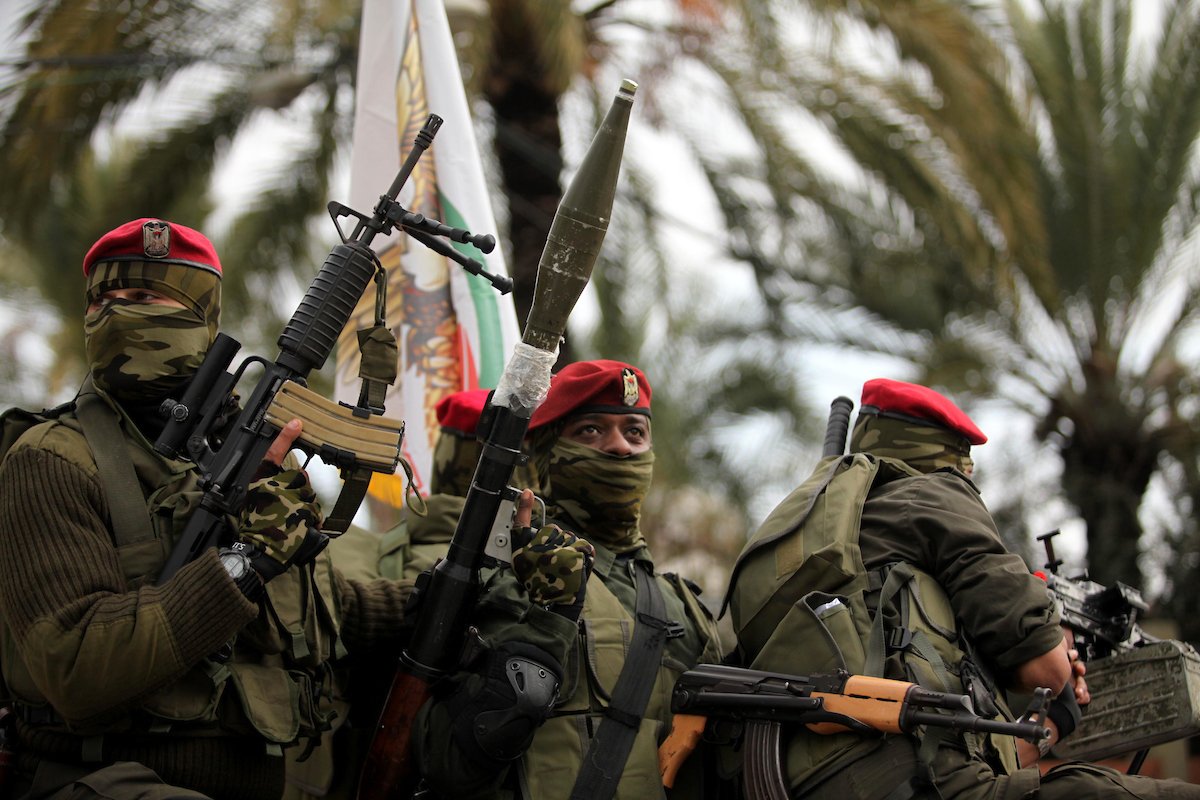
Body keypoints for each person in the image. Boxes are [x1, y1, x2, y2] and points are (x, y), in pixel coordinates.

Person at [0, 218, 417, 800]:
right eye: (102, 301)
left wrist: (467, 586)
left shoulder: (243, 456)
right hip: (104, 781)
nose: (116, 313)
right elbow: (76, 670)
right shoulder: (52, 459)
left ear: (203, 320)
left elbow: (330, 609)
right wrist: (247, 559)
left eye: (145, 297)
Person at [725, 377, 1200, 799]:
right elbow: (1045, 669)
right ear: (949, 456)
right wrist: (1056, 645)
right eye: (964, 460)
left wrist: (1055, 720)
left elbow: (976, 762)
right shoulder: (933, 494)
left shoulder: (810, 537)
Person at [416, 358, 726, 800]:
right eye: (591, 430)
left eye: (635, 432)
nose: (620, 447)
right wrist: (546, 620)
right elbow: (448, 765)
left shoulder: (686, 608)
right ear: (545, 455)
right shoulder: (501, 577)